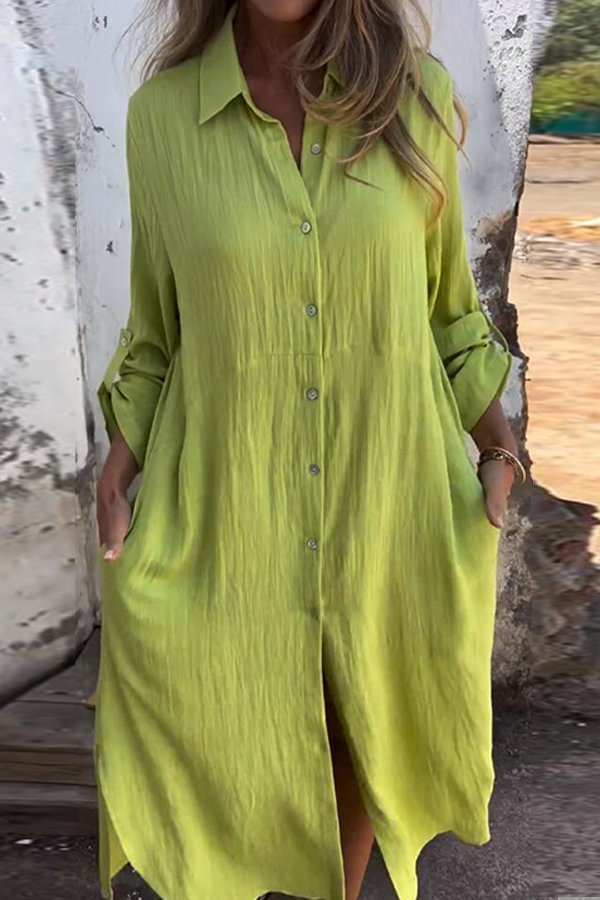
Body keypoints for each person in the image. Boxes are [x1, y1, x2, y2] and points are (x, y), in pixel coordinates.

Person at [94, 0, 525, 898]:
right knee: (226, 720)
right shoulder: (163, 119)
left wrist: (498, 447)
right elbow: (158, 330)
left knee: (355, 725)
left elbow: (448, 309)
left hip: (389, 488)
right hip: (228, 494)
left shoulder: (414, 98)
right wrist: (117, 469)